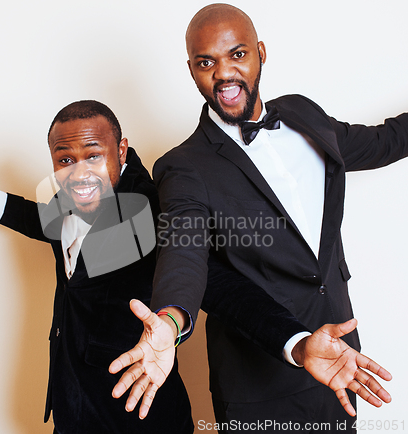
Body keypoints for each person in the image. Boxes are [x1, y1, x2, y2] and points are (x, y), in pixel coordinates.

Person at [109, 4, 405, 433]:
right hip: (259, 382)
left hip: (339, 357)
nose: (224, 73)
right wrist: (170, 321)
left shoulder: (304, 115)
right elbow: (184, 251)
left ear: (261, 52)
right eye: (206, 62)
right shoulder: (184, 166)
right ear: (191, 69)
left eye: (238, 54)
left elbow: (380, 142)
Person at [0, 100, 195, 434]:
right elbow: (56, 229)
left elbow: (197, 272)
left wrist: (177, 322)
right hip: (72, 404)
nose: (80, 171)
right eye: (65, 160)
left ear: (121, 150)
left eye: (93, 155)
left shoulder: (152, 207)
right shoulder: (79, 195)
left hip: (136, 413)